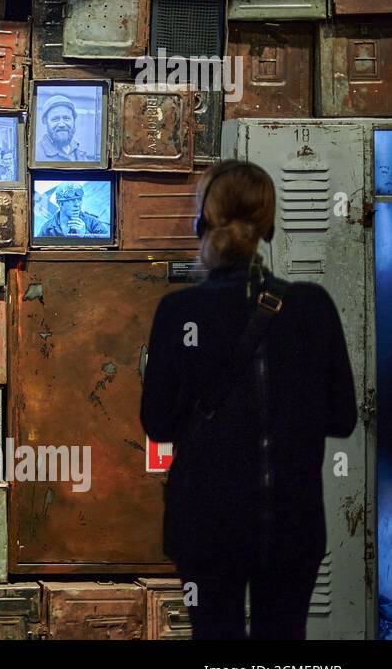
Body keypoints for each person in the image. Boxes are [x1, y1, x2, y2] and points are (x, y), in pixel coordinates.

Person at [140, 160, 357, 639]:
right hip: (292, 525)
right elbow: (342, 419)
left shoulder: (178, 311)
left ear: (202, 222)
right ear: (269, 225)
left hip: (205, 527)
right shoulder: (312, 306)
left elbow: (157, 424)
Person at [39, 182, 108, 237]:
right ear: (60, 203)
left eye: (79, 199)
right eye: (71, 200)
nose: (77, 204)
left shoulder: (93, 223)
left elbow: (106, 245)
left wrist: (85, 234)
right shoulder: (47, 228)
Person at [36, 94, 88, 163]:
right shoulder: (36, 156)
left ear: (74, 121)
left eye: (66, 118)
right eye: (55, 119)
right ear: (46, 122)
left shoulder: (80, 155)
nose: (62, 124)